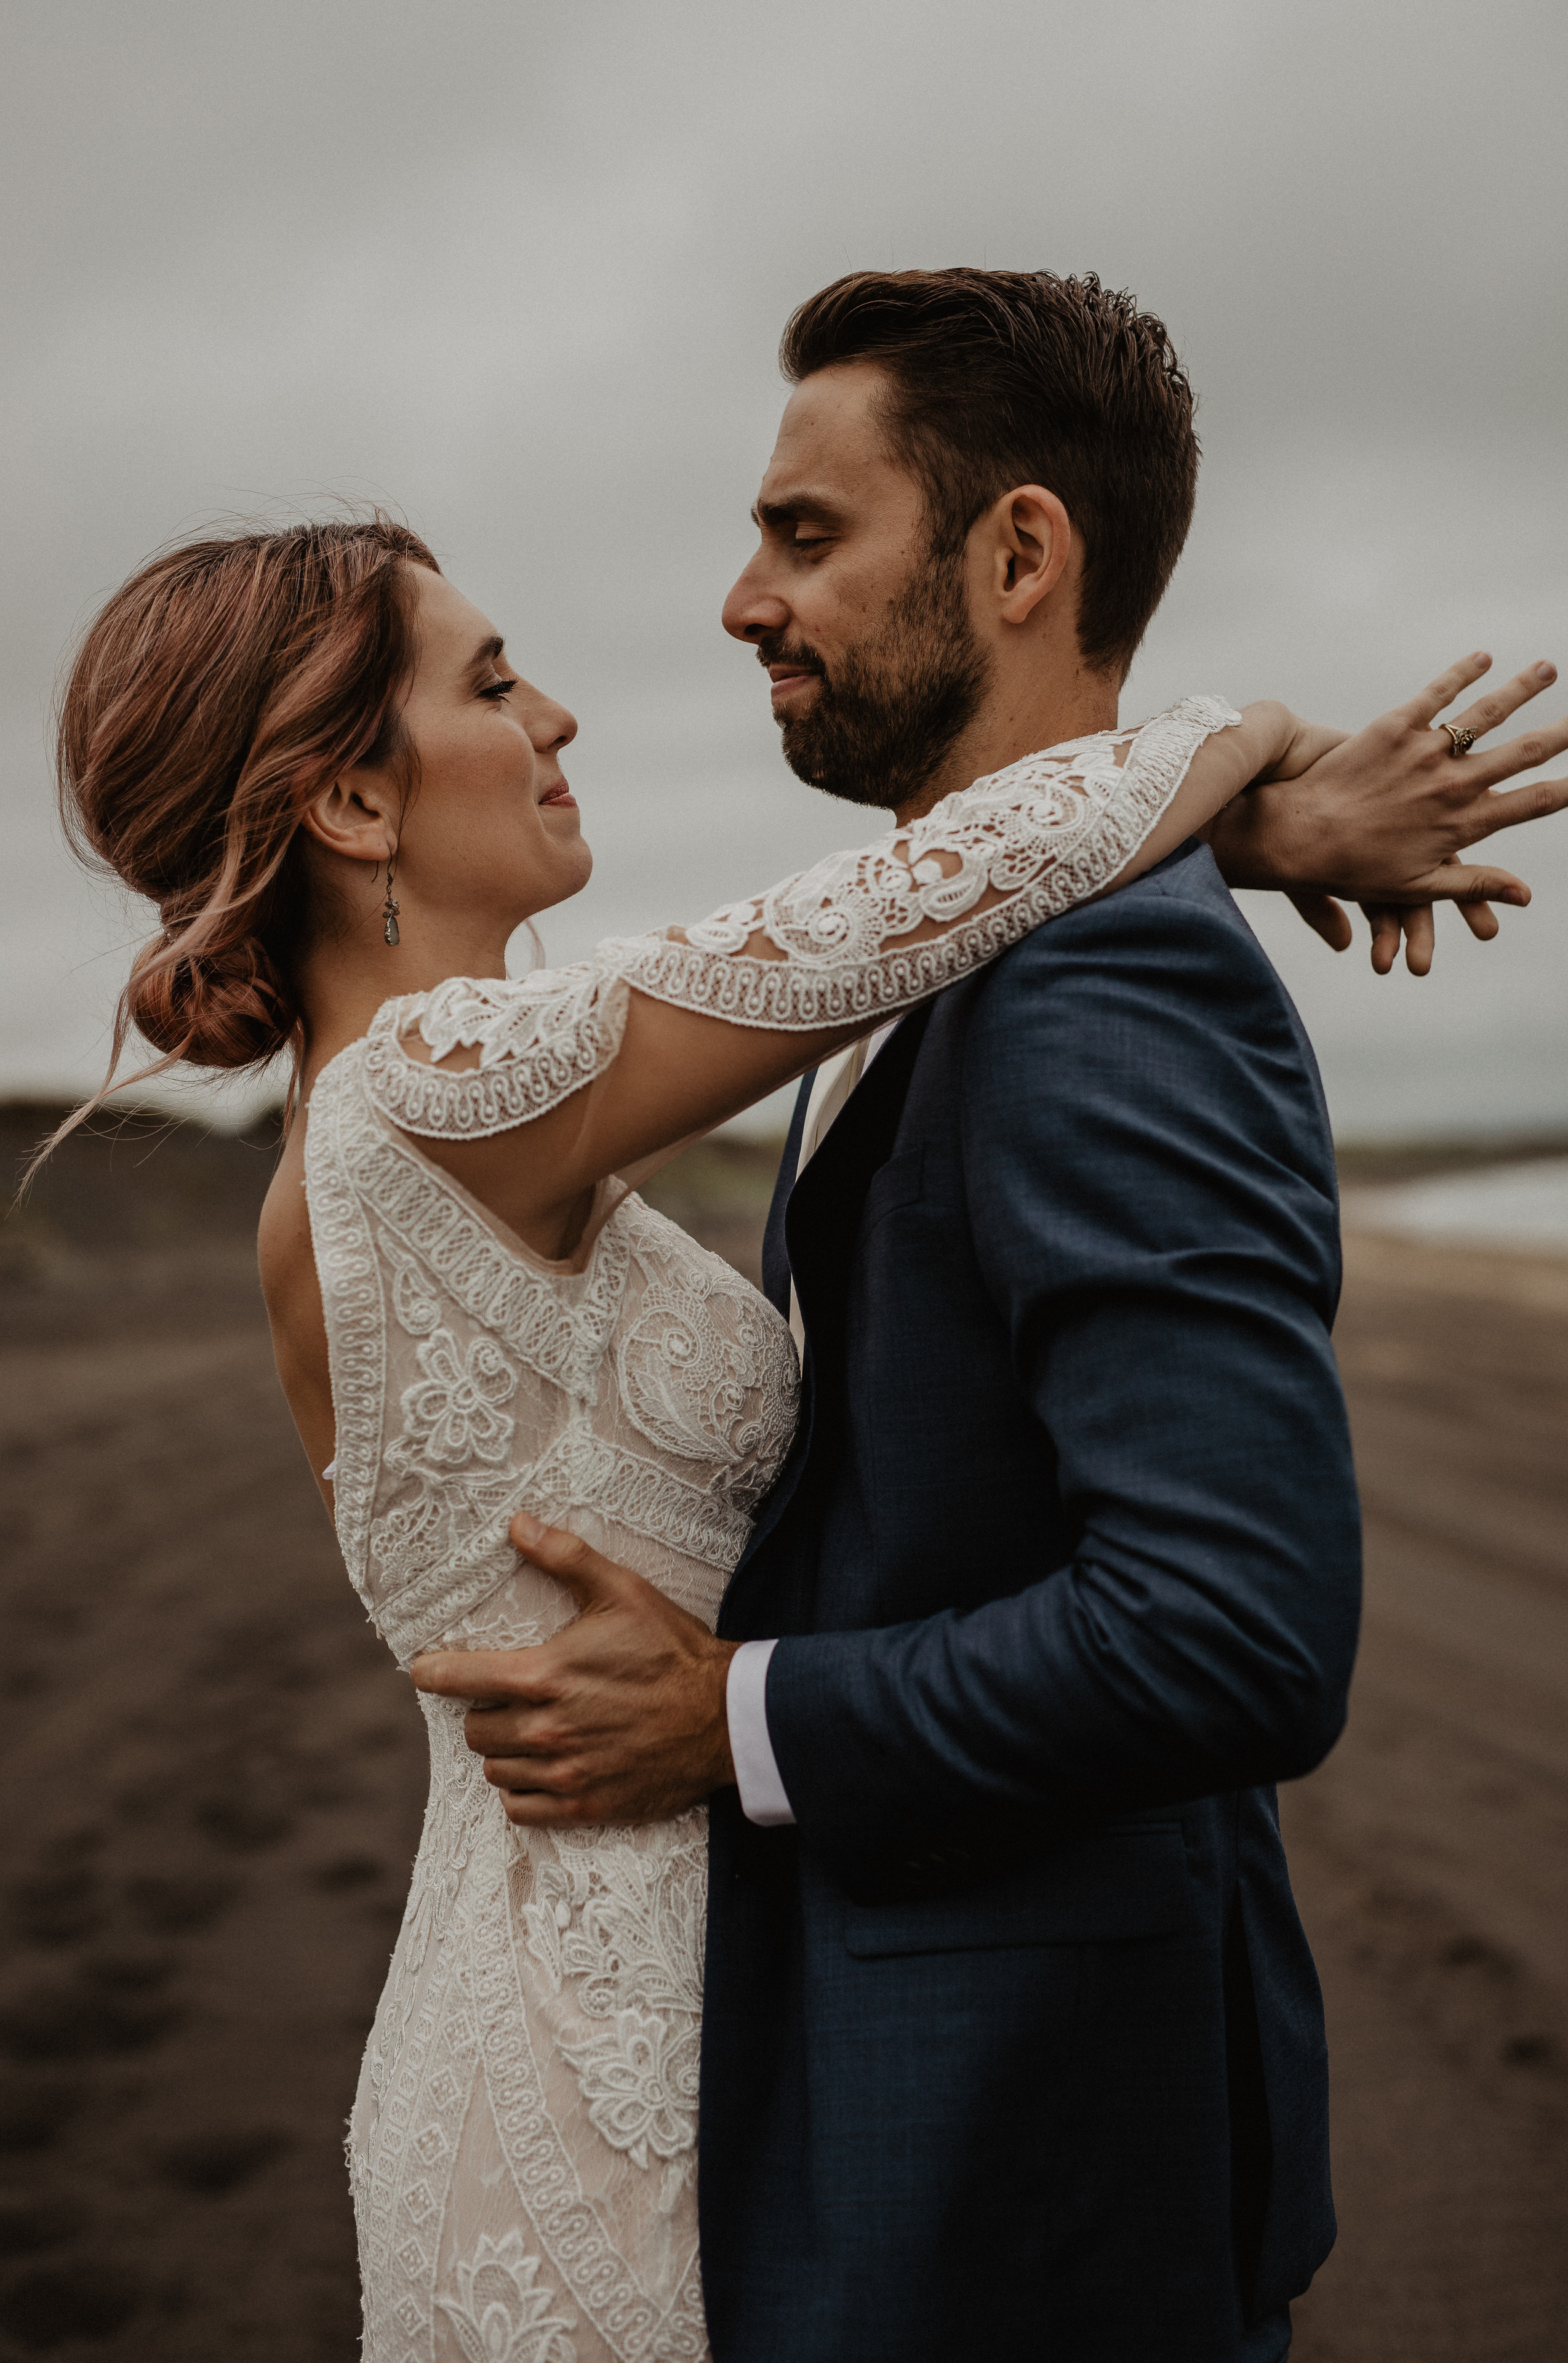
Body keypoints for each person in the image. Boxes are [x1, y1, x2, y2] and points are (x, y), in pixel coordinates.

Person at [404, 272, 1568, 2363]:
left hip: (1032, 2153)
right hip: (914, 2111)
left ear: (1020, 554)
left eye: (806, 534)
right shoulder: (949, 956)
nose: (744, 603)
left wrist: (733, 1714)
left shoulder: (1104, 981)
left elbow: (1232, 1629)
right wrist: (1250, 781)